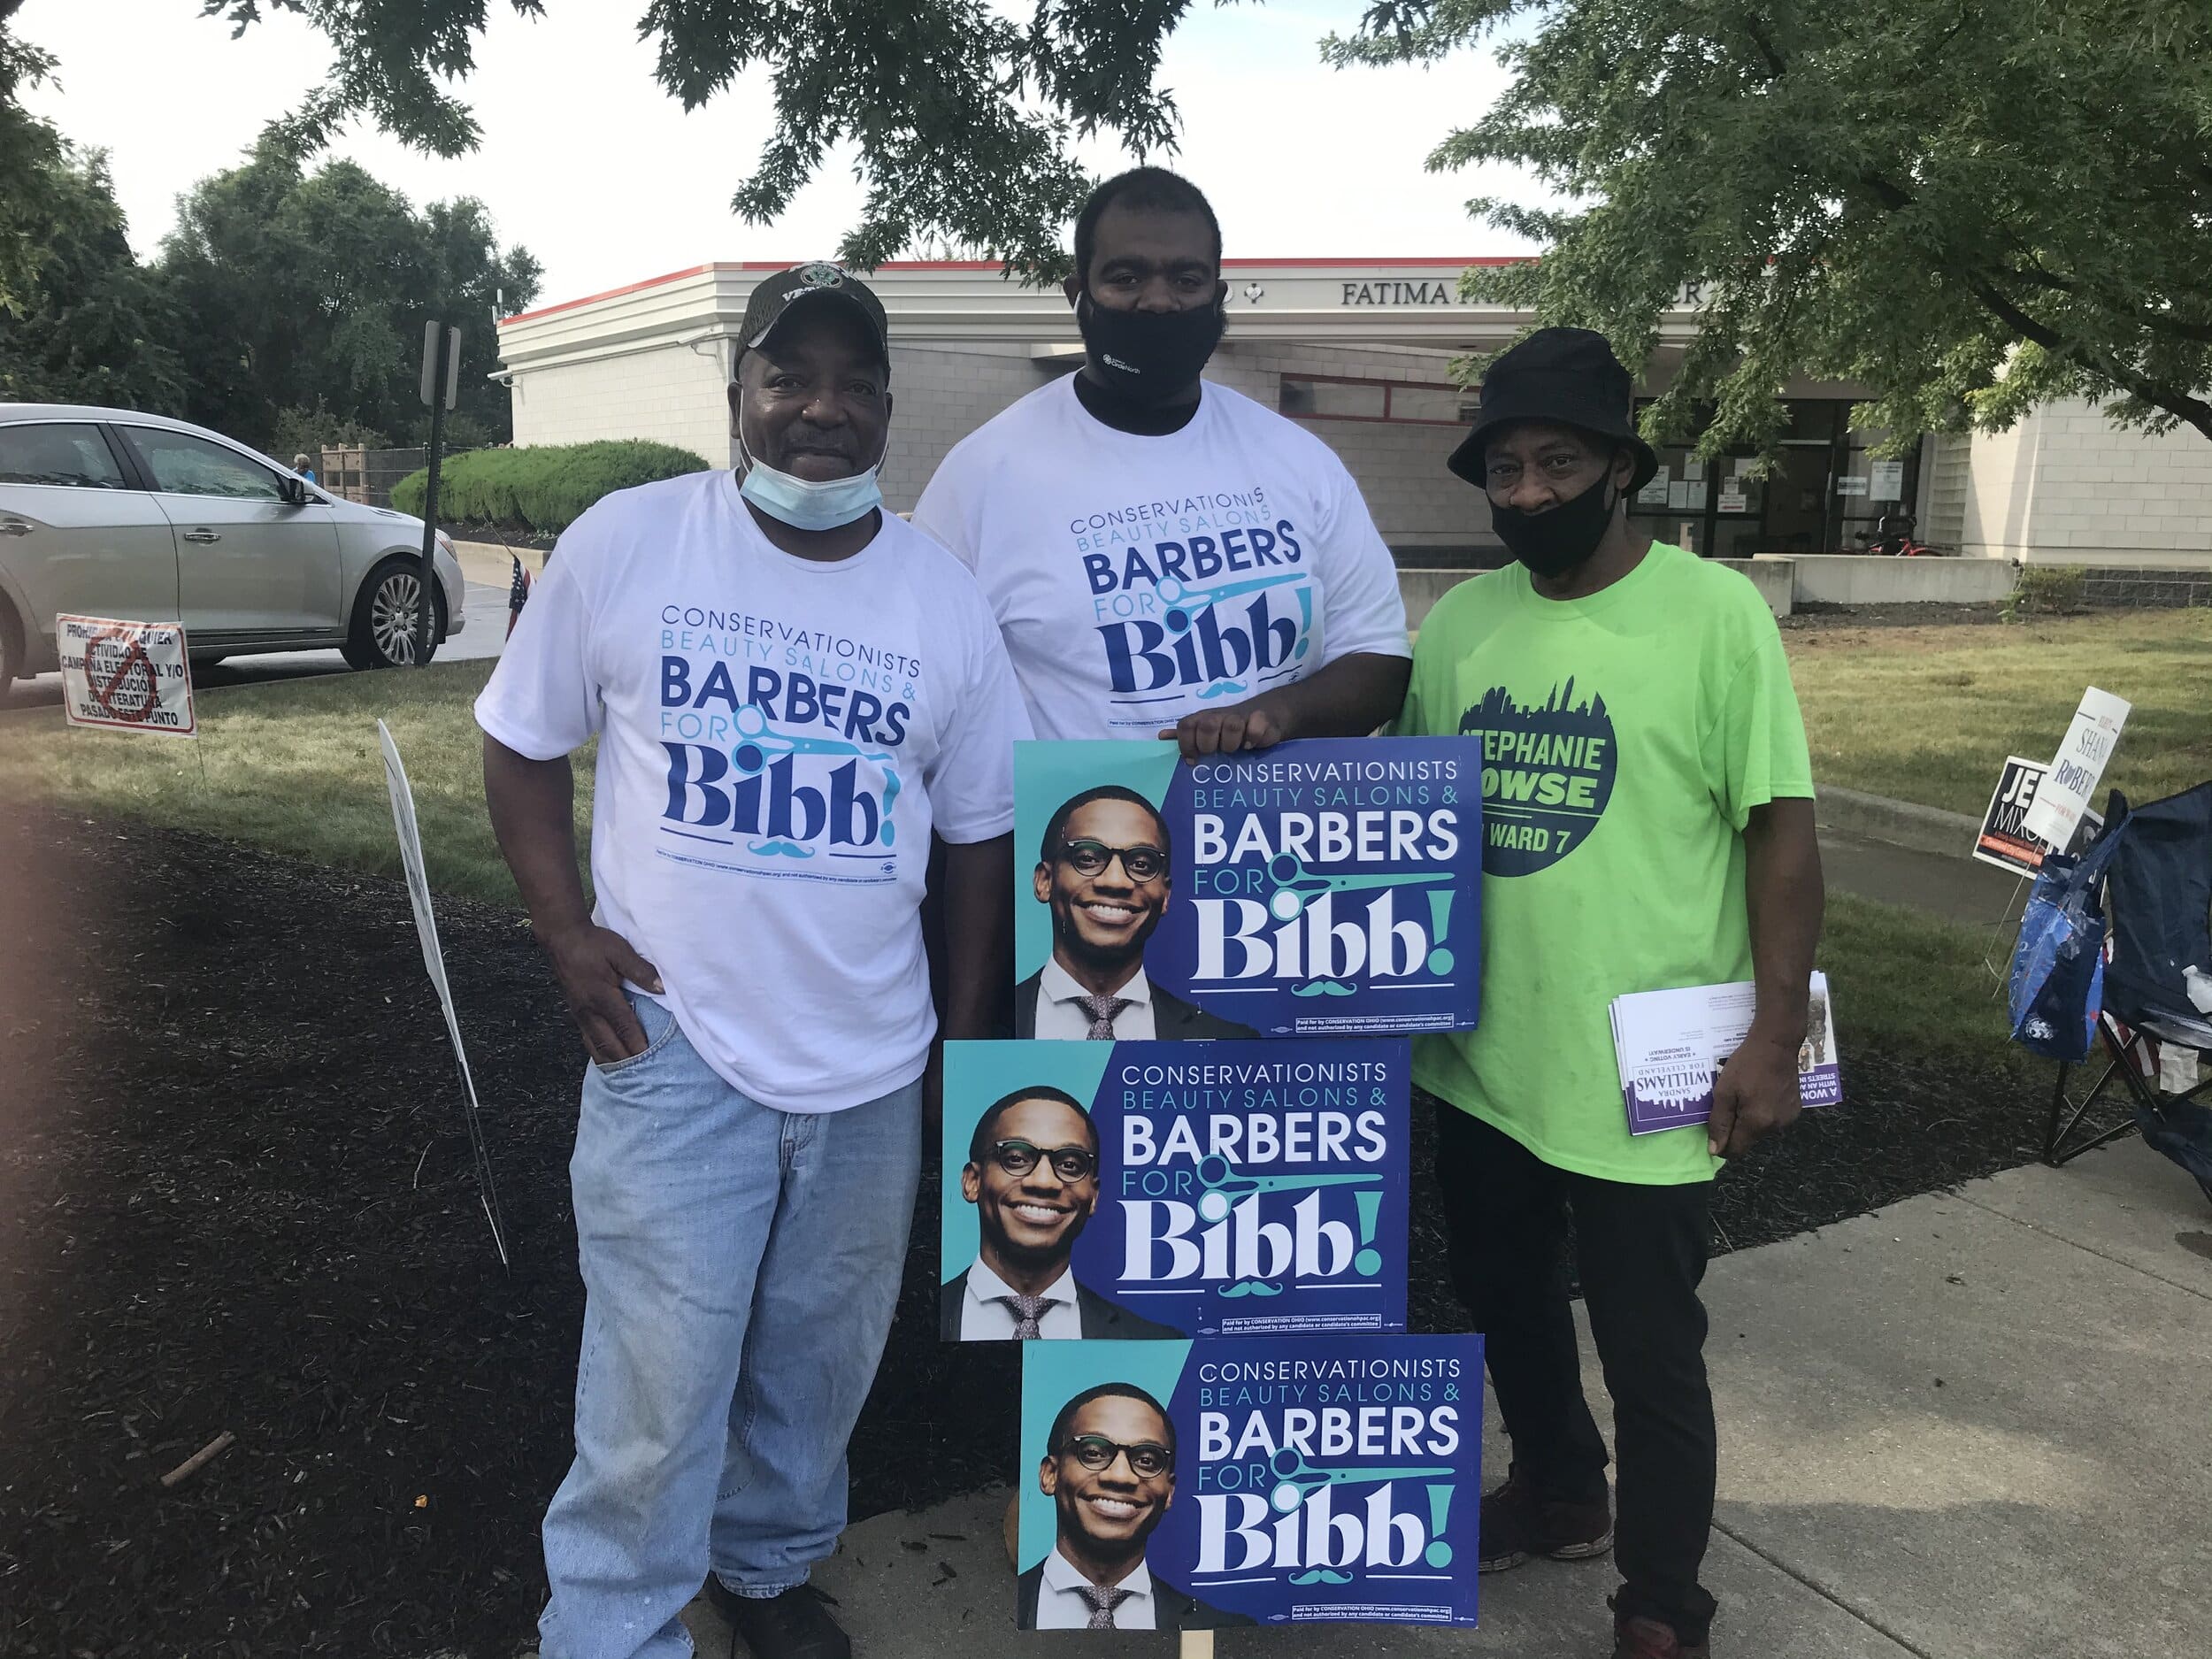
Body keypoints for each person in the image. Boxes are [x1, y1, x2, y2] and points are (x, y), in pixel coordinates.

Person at [476, 263, 1028, 1659]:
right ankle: (613, 1626)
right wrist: (564, 938)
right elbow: (519, 738)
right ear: (741, 393)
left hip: (867, 1063)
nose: (820, 409)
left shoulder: (942, 601)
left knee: (816, 1364)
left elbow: (977, 840)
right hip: (677, 1051)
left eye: (851, 382)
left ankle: (769, 1568)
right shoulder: (631, 542)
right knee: (657, 1385)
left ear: (889, 405)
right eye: (790, 378)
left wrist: (963, 1047)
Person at [1394, 327, 1824, 1659]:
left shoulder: (1715, 615)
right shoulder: (1462, 624)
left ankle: (1660, 1602)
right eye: (1504, 468)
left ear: (1622, 467)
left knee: (1652, 1349)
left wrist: (1774, 1034)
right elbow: (1403, 824)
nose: (1527, 492)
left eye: (1558, 462)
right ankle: (1559, 1486)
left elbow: (1784, 833)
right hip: (1484, 1054)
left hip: (1655, 1067)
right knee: (1507, 1294)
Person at [913, 165, 1411, 763]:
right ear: (1079, 296)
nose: (1157, 301)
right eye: (1125, 278)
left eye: (1186, 278)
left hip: (1275, 839)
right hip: (1085, 843)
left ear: (1218, 297)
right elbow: (931, 698)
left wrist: (1280, 712)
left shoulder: (1300, 463)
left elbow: (1379, 659)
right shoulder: (981, 477)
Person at [1018, 784, 1257, 1041]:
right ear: (1044, 881)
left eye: (1142, 864)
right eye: (1087, 857)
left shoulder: (1231, 1041)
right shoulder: (985, 1024)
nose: (1116, 881)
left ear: (1165, 896)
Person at [941, 1085, 1179, 1340]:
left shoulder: (1154, 1338)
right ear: (972, 1181)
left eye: (1069, 1165)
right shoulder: (919, 1316)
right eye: (1016, 1158)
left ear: (1094, 1197)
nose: (1044, 1182)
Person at [1018, 1384, 1255, 1632]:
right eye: (1094, 1452)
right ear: (1050, 1475)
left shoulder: (1226, 1629)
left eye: (1146, 1460)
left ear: (1169, 1493)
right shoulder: (988, 1608)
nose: (1121, 1476)